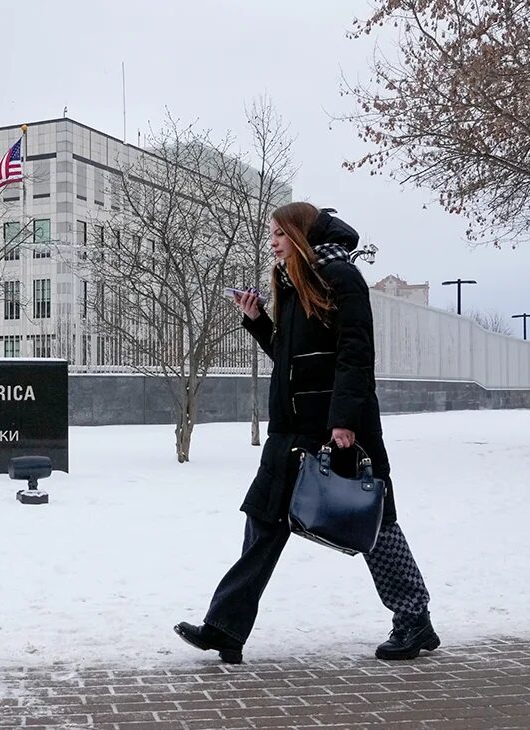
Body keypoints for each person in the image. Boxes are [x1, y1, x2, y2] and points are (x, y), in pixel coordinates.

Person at [175, 202, 439, 664]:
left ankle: (414, 618)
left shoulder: (341, 277)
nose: (272, 242)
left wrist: (344, 420)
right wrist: (258, 320)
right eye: (271, 234)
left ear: (300, 233)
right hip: (290, 432)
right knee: (263, 522)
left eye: (279, 233)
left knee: (372, 522)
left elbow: (355, 354)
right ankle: (225, 628)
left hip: (337, 428)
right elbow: (292, 358)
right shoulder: (293, 282)